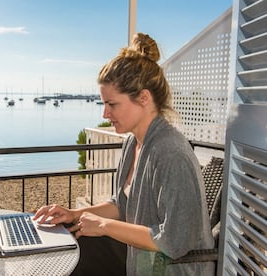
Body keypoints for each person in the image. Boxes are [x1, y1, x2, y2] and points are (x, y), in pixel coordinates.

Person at [34, 33, 215, 275]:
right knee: (65, 253)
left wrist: (102, 225)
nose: (105, 114)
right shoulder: (133, 142)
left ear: (143, 98)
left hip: (170, 269)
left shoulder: (171, 153)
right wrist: (74, 214)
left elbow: (174, 241)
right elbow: (121, 204)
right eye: (103, 104)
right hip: (141, 259)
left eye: (113, 104)